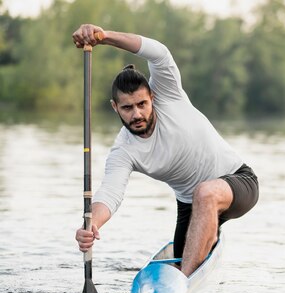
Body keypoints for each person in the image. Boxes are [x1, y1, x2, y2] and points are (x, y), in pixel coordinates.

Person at [73, 24, 259, 276]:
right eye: (127, 108)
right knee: (187, 250)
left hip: (238, 181)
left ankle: (184, 281)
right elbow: (109, 195)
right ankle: (202, 260)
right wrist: (91, 224)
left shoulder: (168, 92)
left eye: (142, 104)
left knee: (205, 194)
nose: (137, 114)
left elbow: (158, 53)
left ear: (152, 96)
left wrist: (104, 37)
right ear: (115, 107)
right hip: (190, 205)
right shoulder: (124, 151)